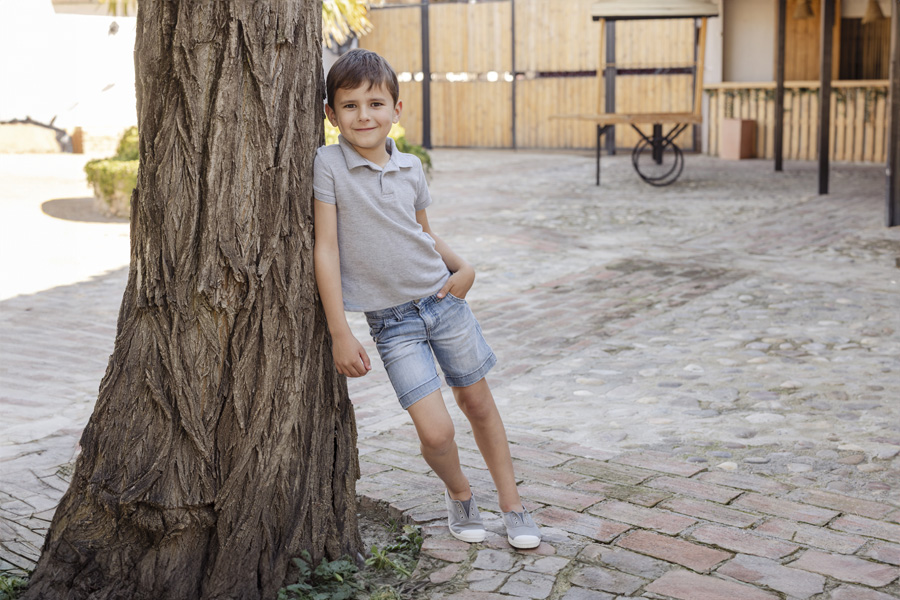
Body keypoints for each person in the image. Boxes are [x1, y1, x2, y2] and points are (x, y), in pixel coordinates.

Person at [313, 49, 542, 550]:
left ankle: (512, 503)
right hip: (392, 324)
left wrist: (465, 267)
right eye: (349, 106)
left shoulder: (411, 167)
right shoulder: (328, 163)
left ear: (397, 109)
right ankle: (460, 495)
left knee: (478, 402)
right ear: (330, 115)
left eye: (375, 103)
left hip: (444, 303)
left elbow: (422, 234)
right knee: (436, 432)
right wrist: (339, 331)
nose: (363, 115)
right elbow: (325, 248)